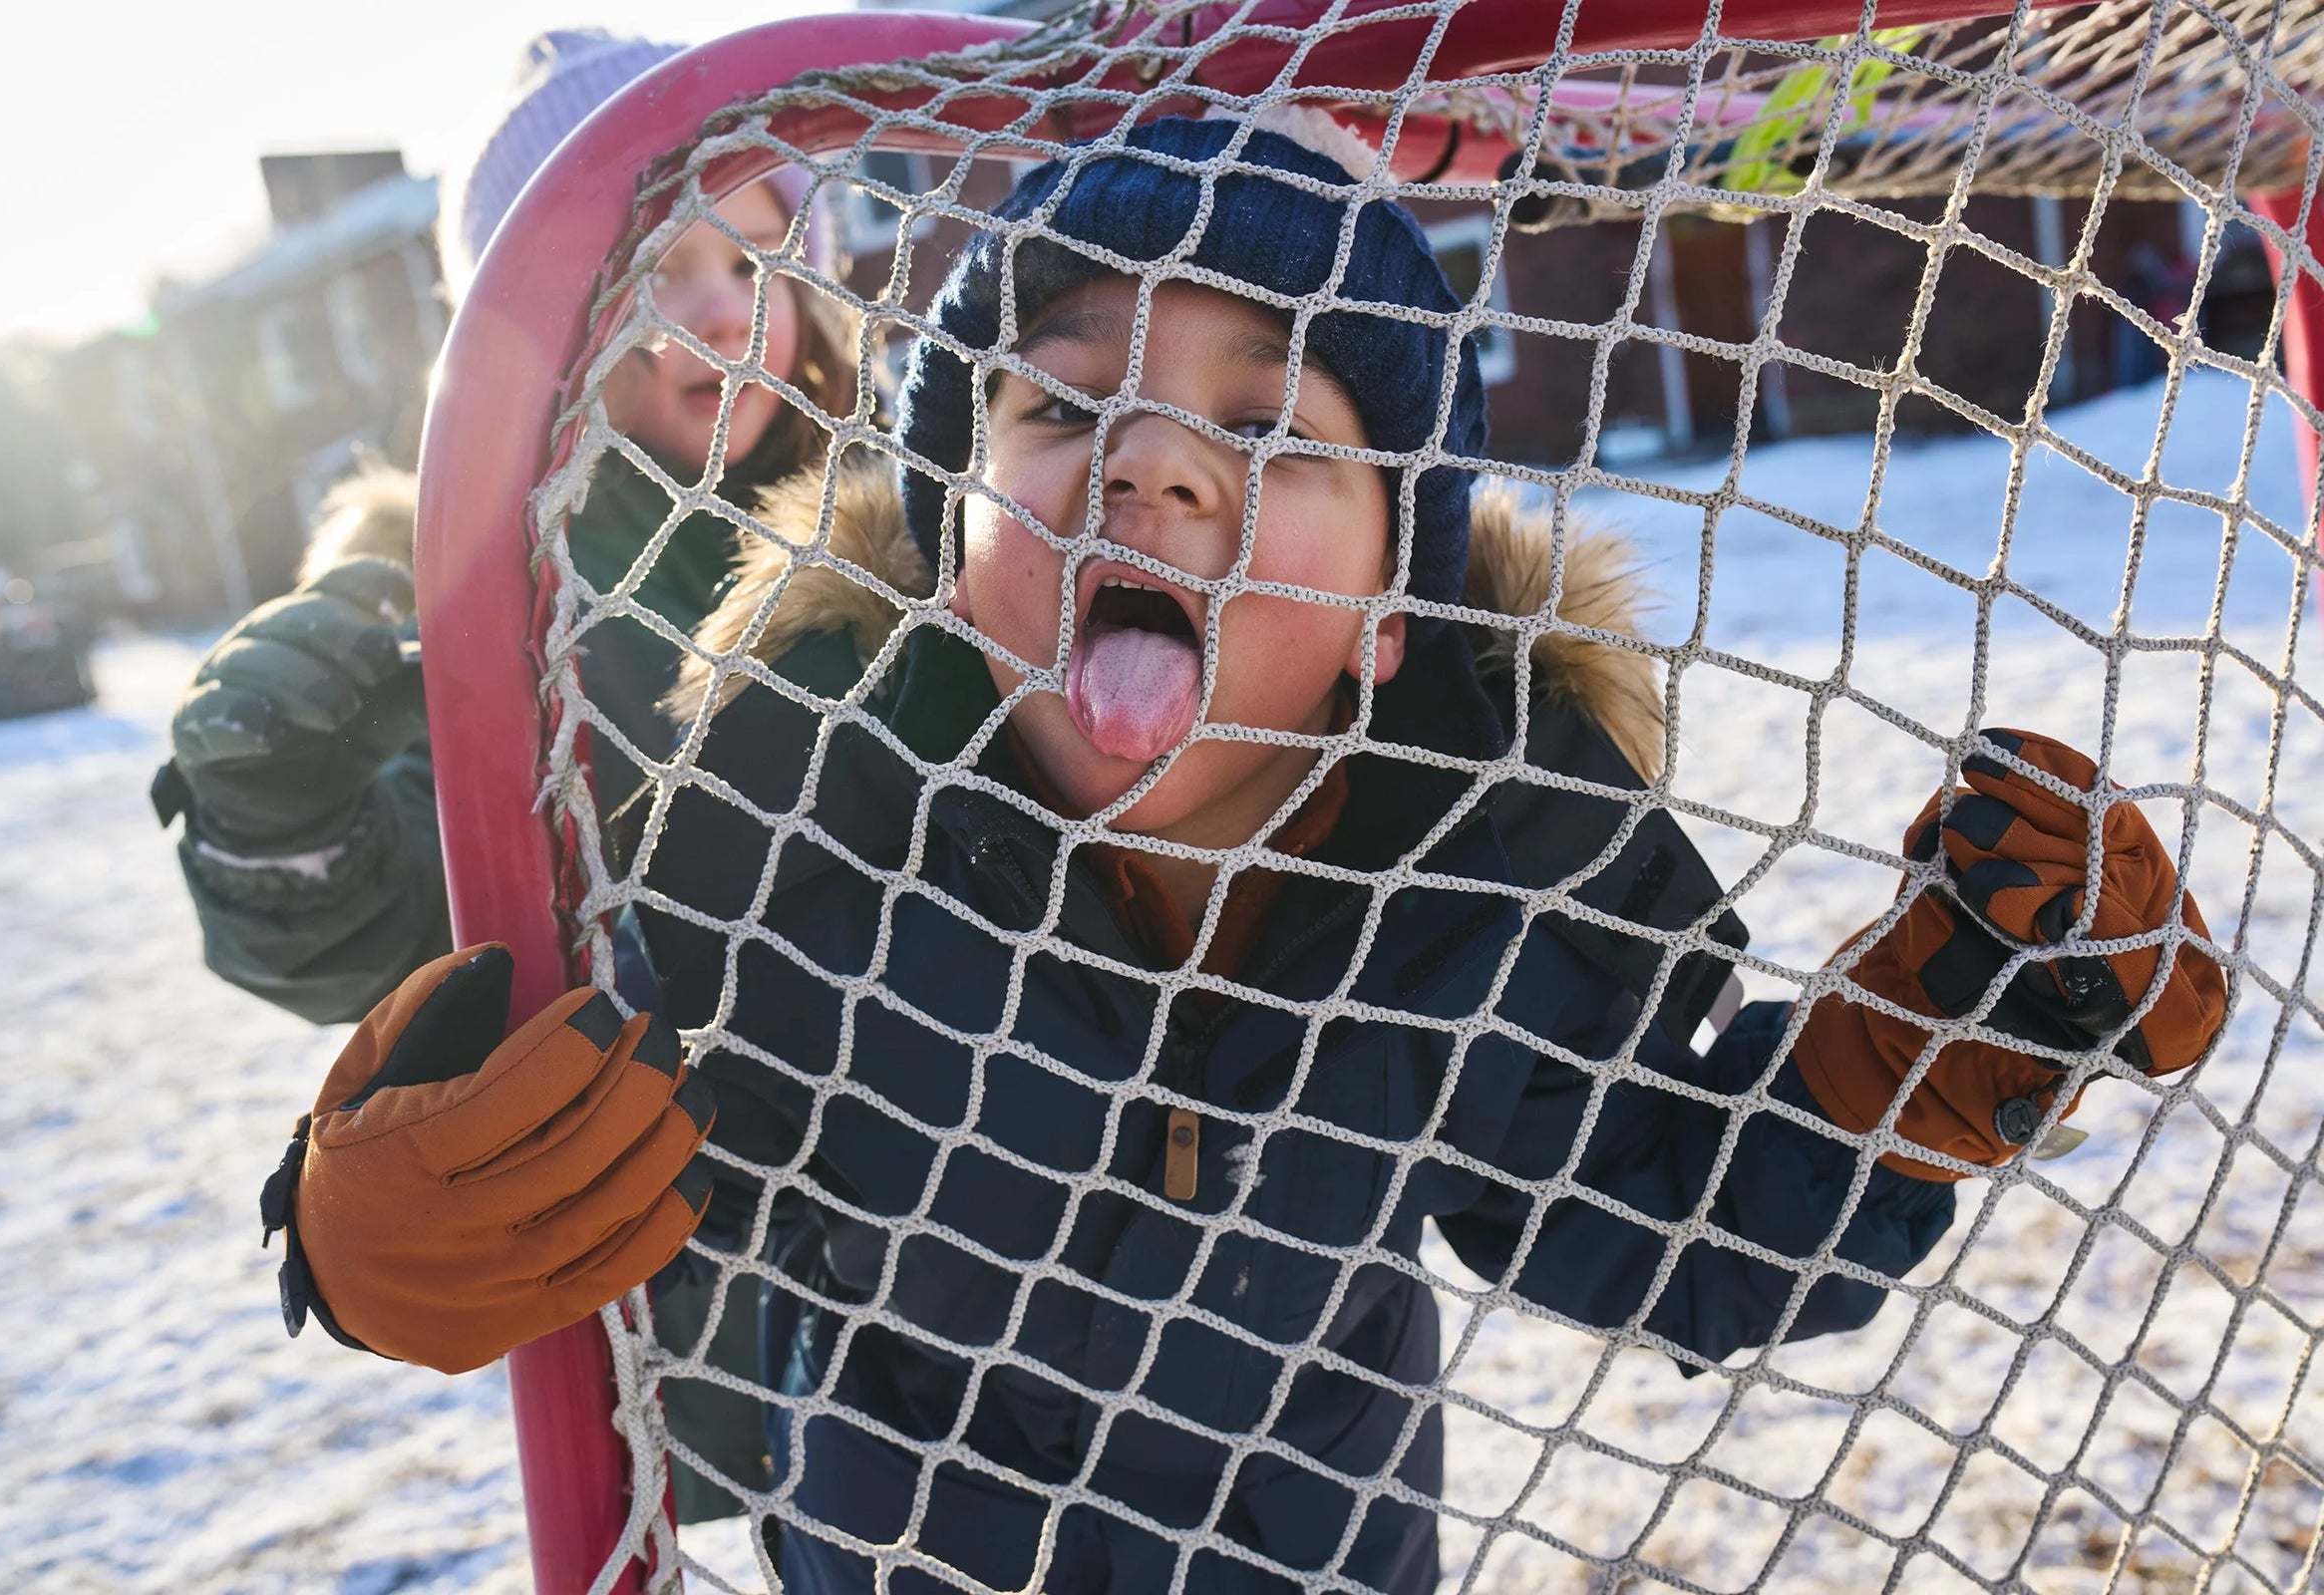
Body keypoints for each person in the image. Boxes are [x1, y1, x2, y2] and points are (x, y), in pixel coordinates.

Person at [262, 112, 2230, 1592]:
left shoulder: (1485, 862)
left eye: (1271, 430)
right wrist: (378, 1230)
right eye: (1061, 407)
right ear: (949, 553)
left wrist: (1934, 1050)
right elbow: (607, 1127)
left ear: (1388, 616)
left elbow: (1665, 1209)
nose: (1149, 458)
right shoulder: (814, 823)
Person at [153, 28, 854, 1521]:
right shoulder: (480, 603)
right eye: (655, 272)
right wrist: (281, 813)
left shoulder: (906, 522)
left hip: (968, 1263)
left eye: (753, 259)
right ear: (530, 326)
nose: (720, 313)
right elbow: (393, 916)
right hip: (693, 1301)